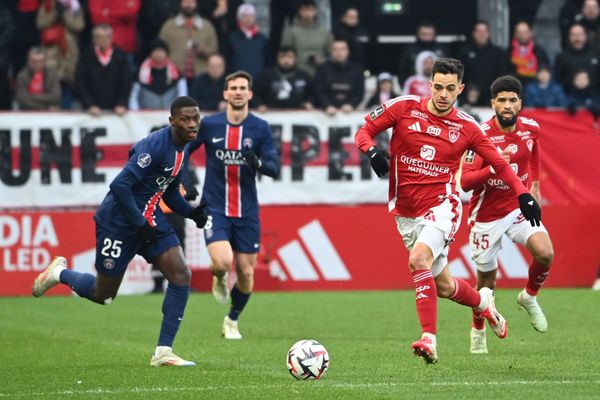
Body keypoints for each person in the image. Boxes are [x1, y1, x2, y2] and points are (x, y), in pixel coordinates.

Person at [354, 58, 542, 364]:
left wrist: (523, 194)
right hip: (405, 211)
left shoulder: (467, 127)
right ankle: (483, 304)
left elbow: (498, 162)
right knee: (443, 286)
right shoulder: (403, 107)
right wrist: (371, 151)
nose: (443, 94)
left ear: (460, 89)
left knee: (418, 260)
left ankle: (429, 339)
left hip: (442, 205)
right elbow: (364, 131)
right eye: (438, 87)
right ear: (430, 85)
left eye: (450, 88)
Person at [32, 96, 209, 367]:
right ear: (172, 121)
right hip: (118, 222)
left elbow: (169, 190)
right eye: (185, 119)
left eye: (195, 118)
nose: (192, 123)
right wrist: (139, 224)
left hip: (150, 219)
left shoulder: (183, 148)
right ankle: (58, 273)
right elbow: (120, 186)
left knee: (180, 274)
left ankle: (163, 352)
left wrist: (191, 212)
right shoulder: (155, 146)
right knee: (104, 295)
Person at [461, 75, 554, 354]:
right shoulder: (480, 136)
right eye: (501, 100)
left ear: (520, 103)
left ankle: (529, 297)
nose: (507, 105)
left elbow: (534, 153)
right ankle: (477, 329)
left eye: (512, 99)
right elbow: (465, 182)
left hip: (518, 206)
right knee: (486, 284)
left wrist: (534, 184)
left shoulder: (531, 129)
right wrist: (493, 167)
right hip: (486, 215)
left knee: (546, 254)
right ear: (493, 104)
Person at [188, 71, 280, 340]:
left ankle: (231, 320)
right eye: (233, 88)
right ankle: (218, 275)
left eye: (242, 88)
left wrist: (258, 163)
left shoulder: (260, 128)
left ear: (250, 94)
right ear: (225, 94)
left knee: (247, 273)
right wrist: (184, 181)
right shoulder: (210, 124)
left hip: (247, 212)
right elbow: (183, 150)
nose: (238, 92)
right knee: (223, 261)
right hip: (215, 207)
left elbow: (274, 167)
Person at [75, 24, 132, 116]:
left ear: (112, 38)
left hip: (116, 110)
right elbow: (80, 82)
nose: (103, 40)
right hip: (92, 110)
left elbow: (126, 82)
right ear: (94, 38)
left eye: (107, 37)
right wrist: (90, 104)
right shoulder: (86, 56)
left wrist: (121, 103)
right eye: (99, 37)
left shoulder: (120, 56)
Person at [129, 39, 188, 110]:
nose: (159, 54)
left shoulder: (177, 73)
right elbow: (133, 98)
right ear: (150, 54)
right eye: (156, 51)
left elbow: (182, 95)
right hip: (145, 117)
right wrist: (136, 114)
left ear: (167, 53)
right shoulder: (140, 73)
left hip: (171, 116)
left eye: (162, 51)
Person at [253, 46, 314, 112]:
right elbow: (254, 92)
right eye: (282, 57)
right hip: (271, 112)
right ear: (277, 58)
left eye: (290, 57)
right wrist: (259, 105)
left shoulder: (303, 75)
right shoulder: (266, 75)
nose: (286, 60)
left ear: (295, 58)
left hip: (298, 112)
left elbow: (313, 92)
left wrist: (309, 102)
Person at [314, 39, 364, 115]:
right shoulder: (322, 69)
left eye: (342, 49)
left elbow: (359, 92)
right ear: (330, 51)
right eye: (335, 49)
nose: (339, 52)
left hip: (350, 113)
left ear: (348, 51)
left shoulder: (356, 69)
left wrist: (351, 105)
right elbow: (319, 90)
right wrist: (327, 105)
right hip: (326, 113)